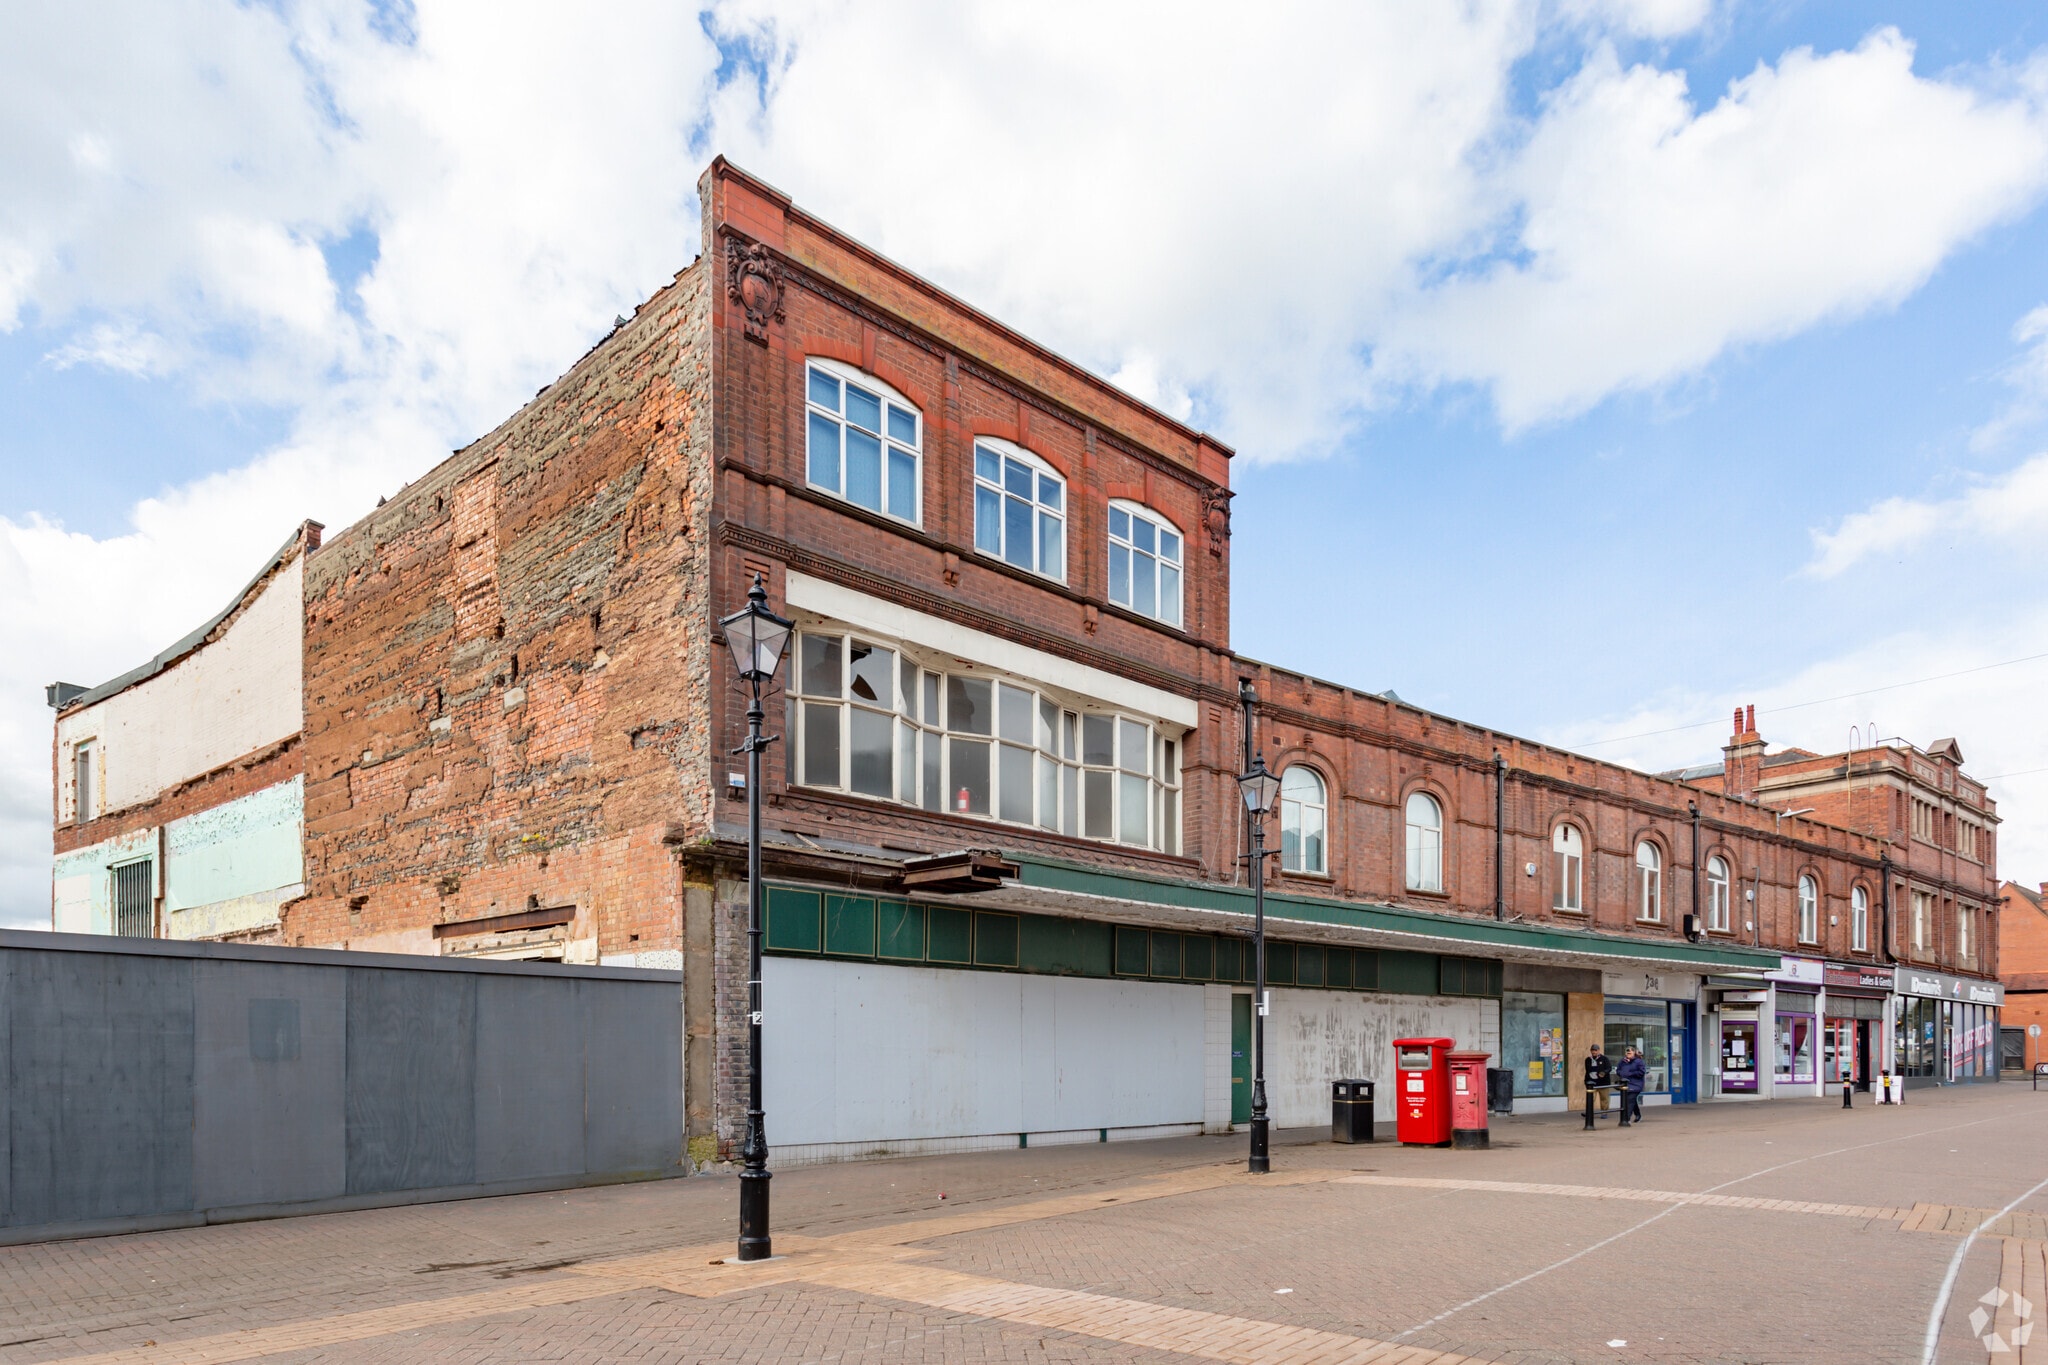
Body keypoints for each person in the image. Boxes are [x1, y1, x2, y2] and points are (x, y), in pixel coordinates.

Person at [1616, 1045, 1647, 1126]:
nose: (1628, 1052)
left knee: (1629, 1100)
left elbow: (1641, 1072)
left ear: (1634, 1052)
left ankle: (1626, 1119)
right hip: (1625, 1084)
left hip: (1636, 1084)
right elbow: (1618, 1070)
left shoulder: (1639, 1061)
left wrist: (1630, 1074)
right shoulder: (1622, 1061)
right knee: (1631, 1100)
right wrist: (1621, 1073)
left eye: (1631, 1051)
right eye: (1627, 1051)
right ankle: (1638, 1115)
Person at [1584, 1043, 1613, 1124]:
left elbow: (1609, 1068)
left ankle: (1604, 1112)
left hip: (1603, 1082)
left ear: (1598, 1051)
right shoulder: (1588, 1060)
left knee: (1604, 1098)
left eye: (1595, 1050)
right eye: (1592, 1050)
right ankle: (1589, 1112)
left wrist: (1603, 1072)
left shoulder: (1604, 1059)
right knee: (1590, 1098)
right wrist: (1586, 1081)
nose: (1594, 1052)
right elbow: (1588, 1070)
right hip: (1592, 1082)